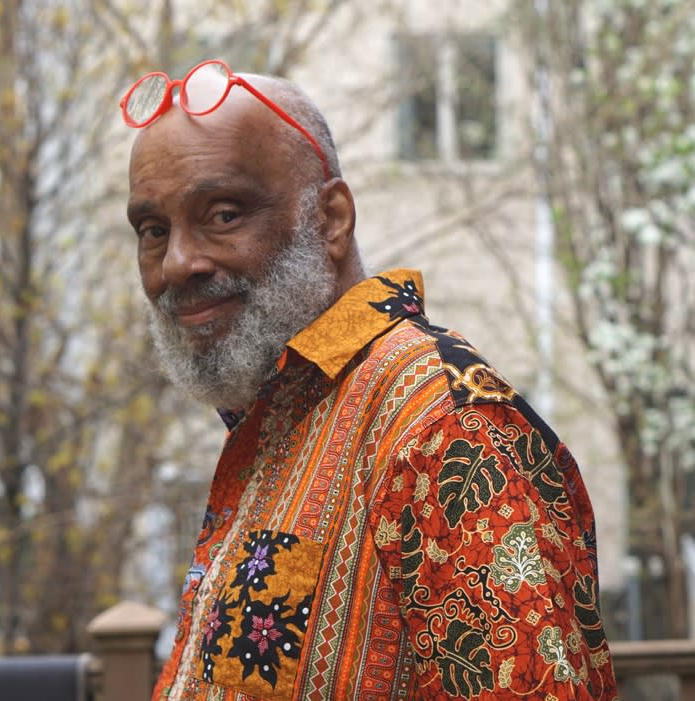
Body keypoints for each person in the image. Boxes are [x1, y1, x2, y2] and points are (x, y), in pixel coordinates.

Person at [122, 60, 618, 701]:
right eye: (154, 230)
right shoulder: (283, 420)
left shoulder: (446, 432)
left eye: (222, 214)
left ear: (332, 219)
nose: (179, 262)